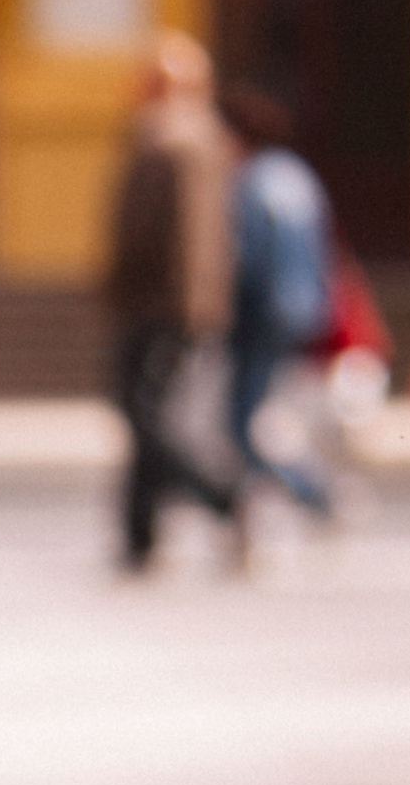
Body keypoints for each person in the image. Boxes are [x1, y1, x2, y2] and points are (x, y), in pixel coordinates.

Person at [106, 29, 240, 574]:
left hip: (160, 300)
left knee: (145, 415)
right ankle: (140, 531)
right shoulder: (205, 138)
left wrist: (128, 286)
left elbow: (160, 233)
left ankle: (219, 493)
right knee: (147, 414)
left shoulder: (167, 138)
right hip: (180, 299)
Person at [221, 81, 339, 534]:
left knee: (243, 424)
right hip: (303, 309)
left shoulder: (251, 183)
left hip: (263, 315)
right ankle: (248, 514)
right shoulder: (296, 175)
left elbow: (247, 260)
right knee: (263, 416)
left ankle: (313, 493)